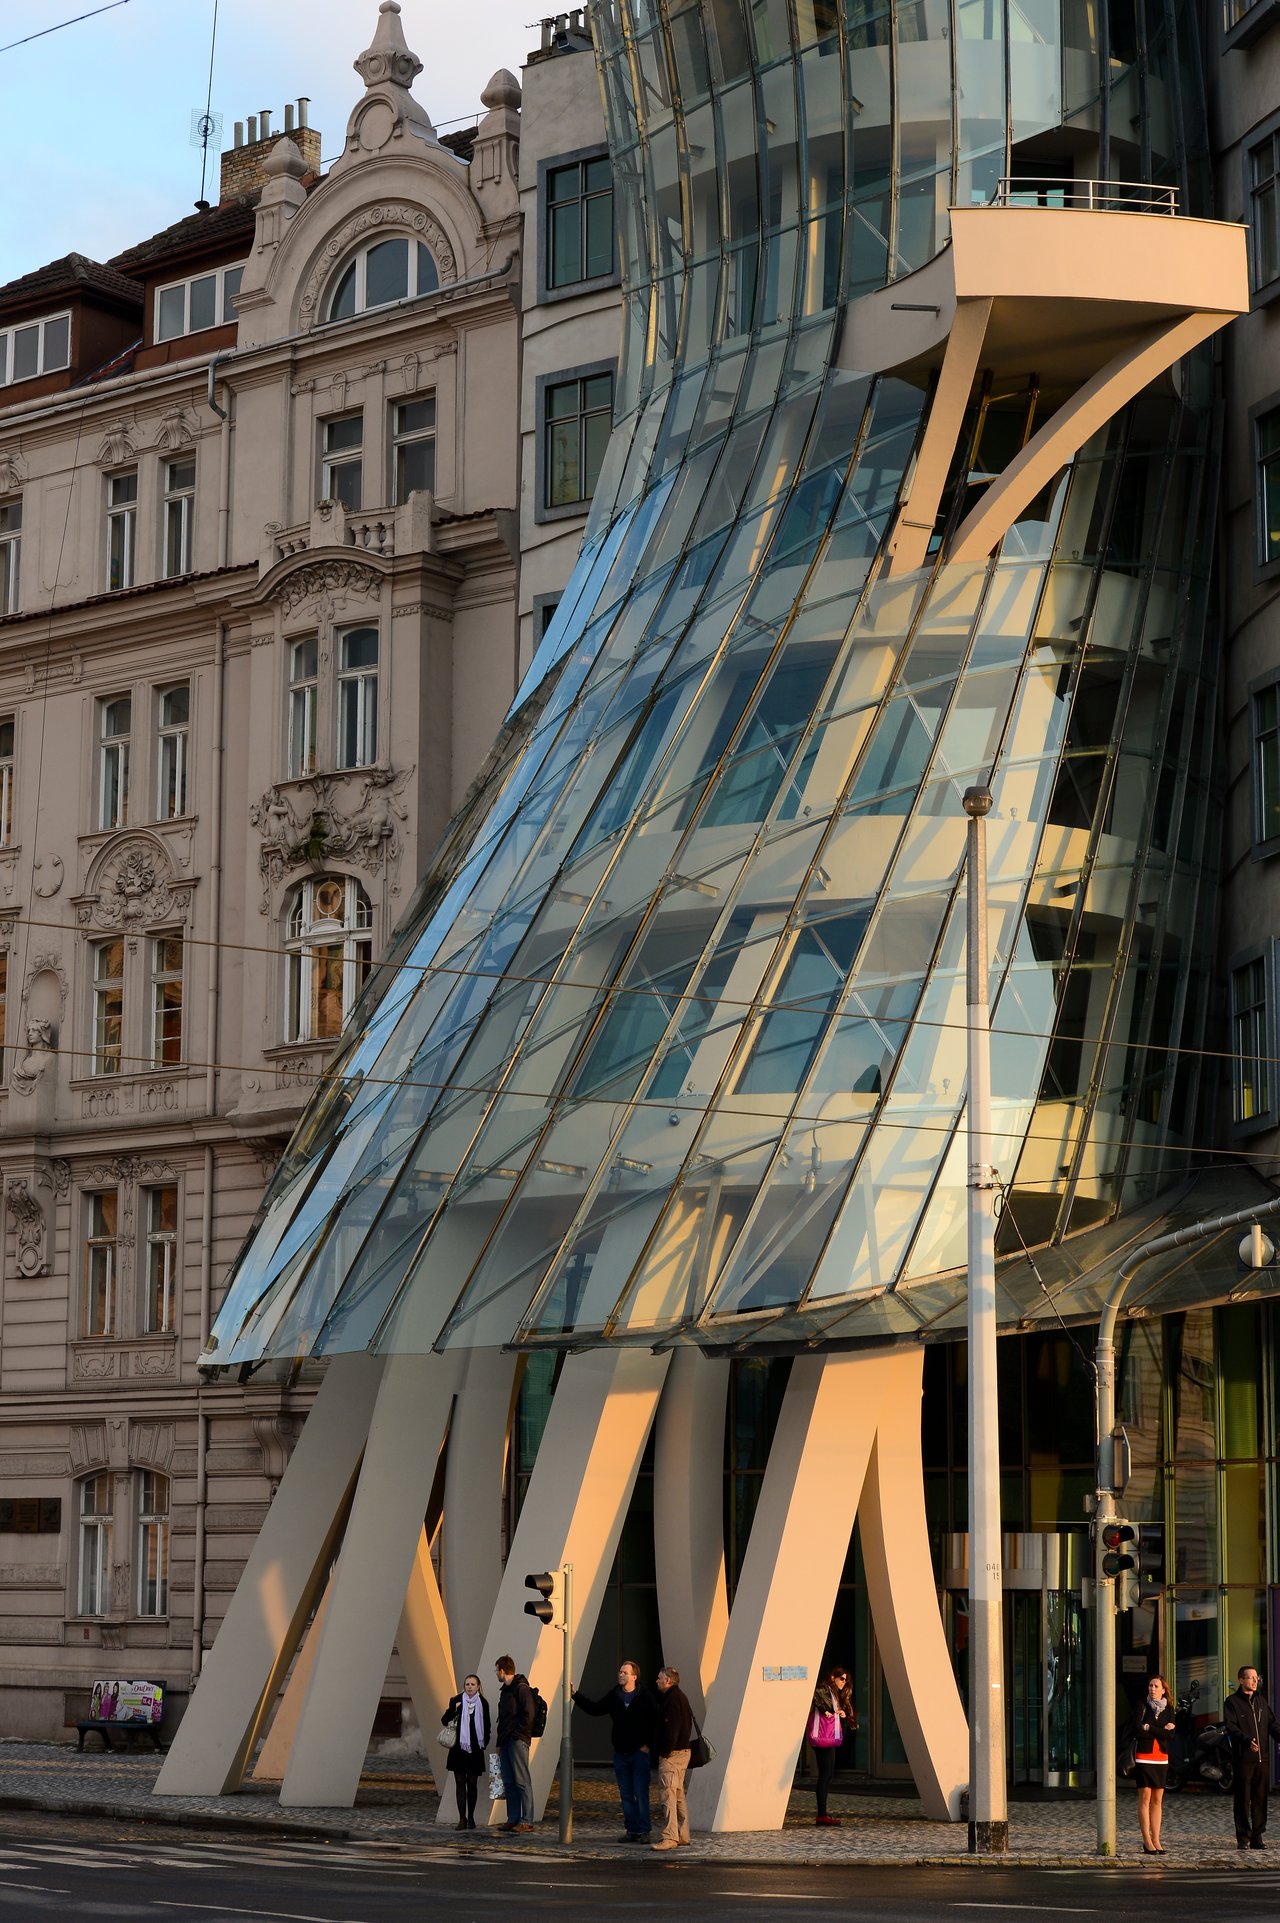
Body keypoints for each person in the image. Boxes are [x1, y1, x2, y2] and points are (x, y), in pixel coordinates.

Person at [572, 1660, 658, 1841]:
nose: (621, 1675)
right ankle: (632, 1830)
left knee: (641, 1793)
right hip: (621, 1753)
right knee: (626, 1794)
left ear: (634, 1677)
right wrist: (575, 1695)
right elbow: (595, 1709)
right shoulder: (614, 1696)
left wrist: (648, 1745)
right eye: (620, 1672)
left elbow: (655, 1722)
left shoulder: (645, 1696)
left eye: (625, 1672)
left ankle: (644, 1831)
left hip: (639, 1753)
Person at [1225, 1664, 1280, 1849]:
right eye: (1251, 1677)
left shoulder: (1261, 1701)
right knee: (1243, 1799)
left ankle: (1257, 1837)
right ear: (1241, 1680)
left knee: (1260, 1798)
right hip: (1243, 1759)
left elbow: (1272, 1725)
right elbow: (1231, 1727)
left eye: (1256, 1677)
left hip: (1262, 1759)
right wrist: (1247, 1739)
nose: (1255, 1681)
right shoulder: (1232, 1702)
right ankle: (1243, 1837)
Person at [1126, 1675, 1178, 1854]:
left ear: (1164, 1689)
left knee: (1158, 1800)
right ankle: (1146, 1840)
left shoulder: (1169, 1709)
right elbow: (1137, 1730)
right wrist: (1160, 1730)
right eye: (1150, 1685)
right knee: (1145, 1798)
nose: (1152, 1689)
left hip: (1161, 1758)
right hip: (1144, 1757)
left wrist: (1151, 1728)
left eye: (1156, 1686)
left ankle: (1156, 1839)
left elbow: (1170, 1736)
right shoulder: (1141, 1706)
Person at [808, 1664, 856, 1826]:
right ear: (832, 1677)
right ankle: (821, 1815)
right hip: (823, 1738)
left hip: (827, 1737)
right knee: (825, 1775)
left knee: (827, 1775)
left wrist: (841, 1712)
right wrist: (825, 1710)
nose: (844, 1682)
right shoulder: (824, 1689)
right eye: (841, 1678)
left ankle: (823, 1813)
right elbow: (819, 1700)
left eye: (846, 1680)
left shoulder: (833, 1694)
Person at [441, 1672, 490, 1831]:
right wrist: (452, 1708)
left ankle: (472, 1817)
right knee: (460, 1783)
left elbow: (487, 1726)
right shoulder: (457, 1701)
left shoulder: (483, 1703)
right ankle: (462, 1818)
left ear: (478, 1687)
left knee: (472, 1783)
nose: (469, 1687)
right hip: (459, 1749)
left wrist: (484, 1743)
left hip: (475, 1749)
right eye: (467, 1684)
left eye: (472, 1684)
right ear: (464, 1687)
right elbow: (444, 1721)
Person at [651, 1665, 693, 1851]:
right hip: (682, 1752)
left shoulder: (673, 1699)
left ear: (668, 1681)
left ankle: (670, 1837)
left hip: (673, 1754)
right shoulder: (679, 1697)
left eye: (659, 1678)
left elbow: (671, 1729)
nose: (657, 1681)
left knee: (668, 1794)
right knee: (677, 1795)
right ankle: (683, 1834)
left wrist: (664, 1751)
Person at [494, 1655, 535, 1833]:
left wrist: (518, 1735)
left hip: (517, 1740)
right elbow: (502, 1719)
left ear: (503, 1671)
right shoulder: (505, 1691)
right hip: (505, 1742)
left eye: (496, 1670)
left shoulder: (521, 1688)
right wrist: (499, 1742)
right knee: (509, 1781)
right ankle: (513, 1818)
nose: (496, 1673)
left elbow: (529, 1714)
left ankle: (526, 1820)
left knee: (521, 1780)